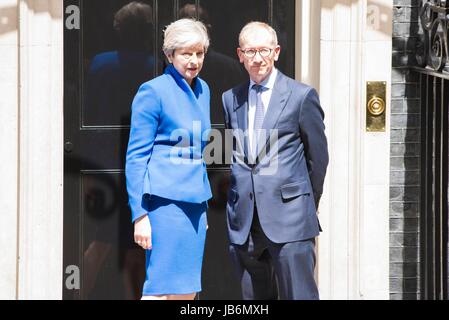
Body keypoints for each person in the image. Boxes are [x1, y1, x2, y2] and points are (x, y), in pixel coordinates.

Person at [222, 21, 329, 300]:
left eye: (264, 50)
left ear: (277, 52)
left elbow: (318, 158)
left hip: (290, 220)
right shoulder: (230, 98)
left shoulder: (301, 96)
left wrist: (303, 201)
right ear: (240, 54)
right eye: (250, 51)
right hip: (246, 225)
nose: (257, 58)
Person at [125, 18, 212, 300]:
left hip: (195, 208)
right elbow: (136, 157)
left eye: (199, 53)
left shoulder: (204, 90)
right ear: (169, 55)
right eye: (186, 53)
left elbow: (198, 153)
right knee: (161, 290)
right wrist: (140, 215)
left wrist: (203, 207)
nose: (194, 60)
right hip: (164, 206)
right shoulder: (152, 92)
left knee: (187, 291)